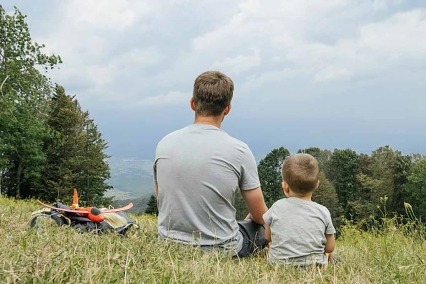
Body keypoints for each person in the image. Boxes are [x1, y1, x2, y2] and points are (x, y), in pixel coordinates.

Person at [153, 70, 268, 257]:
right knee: (260, 227)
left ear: (192, 103)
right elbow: (260, 216)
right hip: (223, 248)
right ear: (227, 109)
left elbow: (162, 197)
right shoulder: (239, 150)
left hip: (169, 242)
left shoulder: (164, 143)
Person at [263, 153, 336, 266]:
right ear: (317, 185)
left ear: (285, 186)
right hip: (315, 266)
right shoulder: (323, 211)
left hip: (278, 264)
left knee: (270, 248)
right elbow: (330, 247)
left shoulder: (276, 207)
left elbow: (268, 237)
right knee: (328, 254)